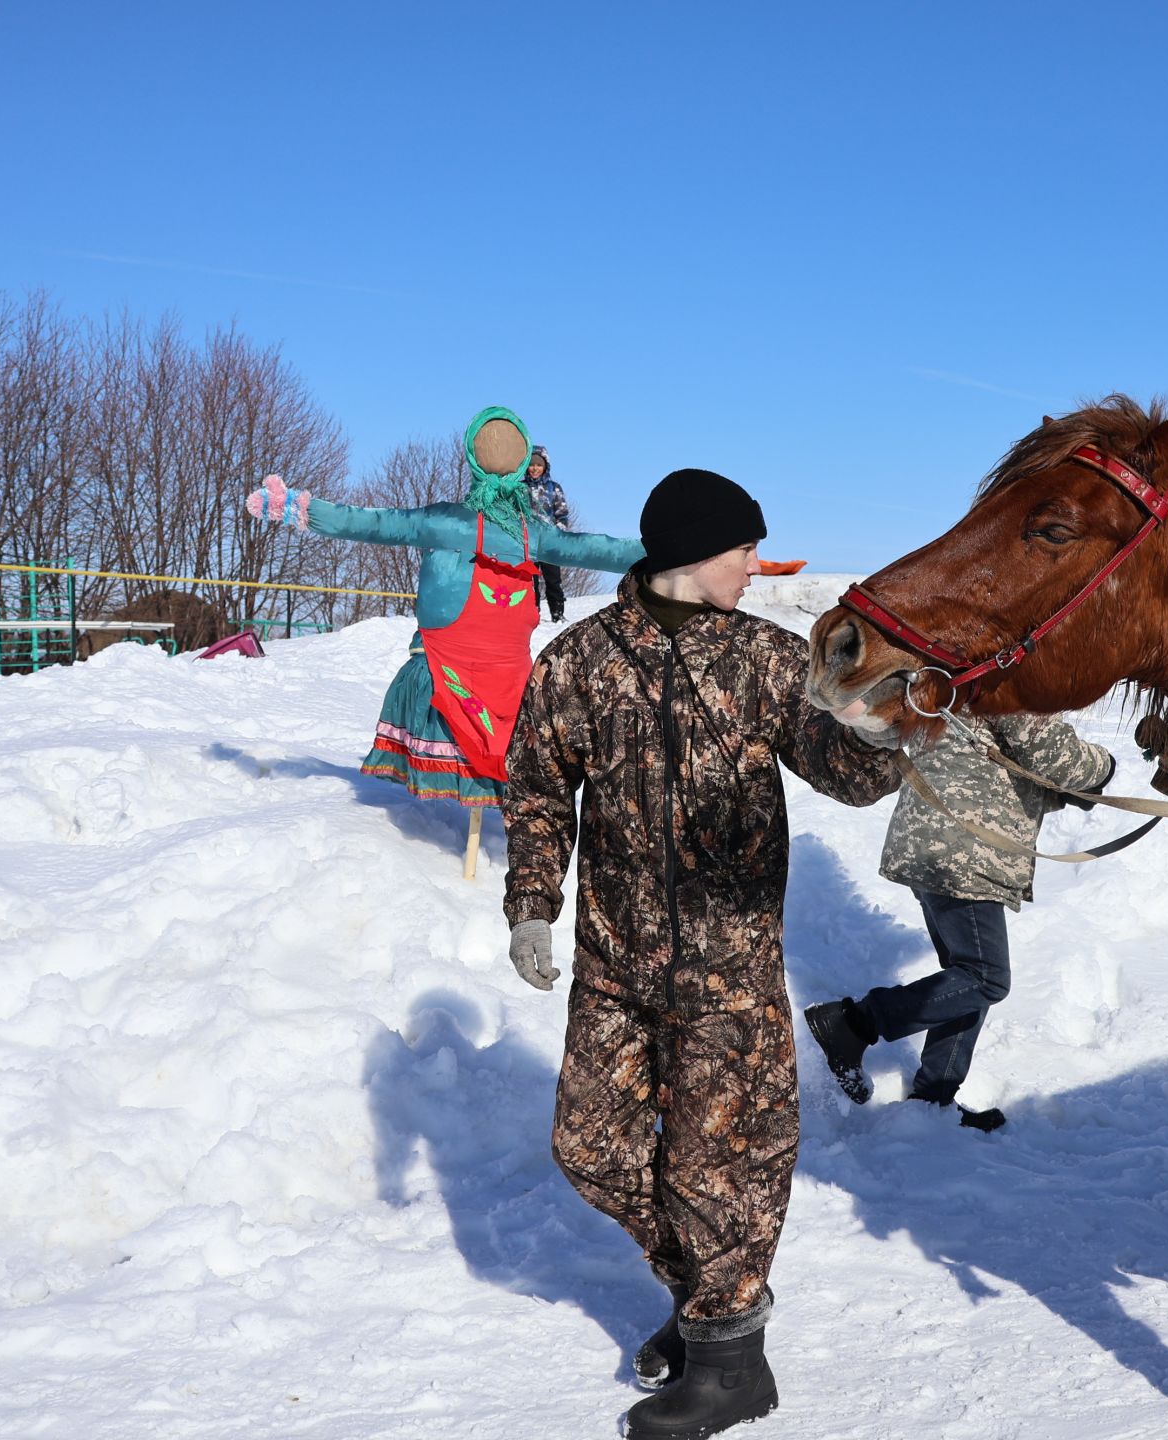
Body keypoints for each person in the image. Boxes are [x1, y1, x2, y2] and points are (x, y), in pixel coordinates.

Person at [501, 468, 900, 1440]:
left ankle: (730, 1361)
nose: (755, 567)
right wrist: (531, 907)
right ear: (689, 552)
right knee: (587, 1146)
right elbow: (540, 789)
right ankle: (708, 1297)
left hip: (728, 972)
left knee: (723, 1163)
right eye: (742, 550)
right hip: (615, 965)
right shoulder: (581, 661)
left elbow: (847, 775)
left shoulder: (765, 659)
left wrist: (898, 721)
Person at [245, 408, 641, 809]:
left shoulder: (449, 521)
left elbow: (371, 522)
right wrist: (666, 548)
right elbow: (597, 549)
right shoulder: (529, 532)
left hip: (462, 659)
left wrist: (301, 507)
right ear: (522, 464)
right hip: (492, 667)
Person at [804, 712, 1112, 1132]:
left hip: (938, 842)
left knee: (965, 981)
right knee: (986, 978)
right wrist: (1103, 766)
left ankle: (932, 1101)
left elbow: (1005, 762)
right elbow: (1050, 752)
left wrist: (1068, 791)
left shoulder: (961, 674)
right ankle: (854, 1023)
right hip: (962, 852)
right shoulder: (1015, 678)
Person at [523, 444, 573, 622]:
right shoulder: (519, 488)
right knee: (529, 581)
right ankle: (532, 613)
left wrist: (558, 533)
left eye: (538, 465)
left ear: (545, 467)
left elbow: (562, 514)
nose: (535, 468)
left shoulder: (554, 488)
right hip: (527, 542)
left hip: (550, 542)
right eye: (531, 465)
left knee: (553, 579)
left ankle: (557, 613)